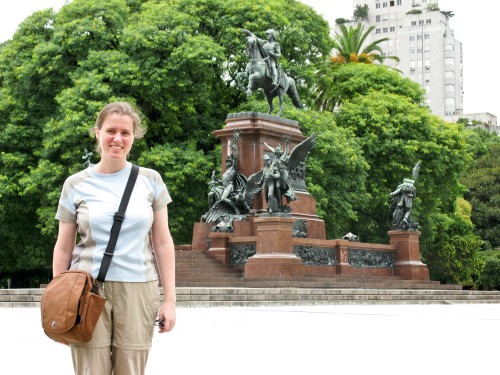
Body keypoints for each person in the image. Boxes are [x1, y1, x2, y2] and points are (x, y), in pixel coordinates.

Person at [52, 102, 176, 375]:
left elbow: (163, 243)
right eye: (110, 131)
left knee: (130, 370)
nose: (117, 139)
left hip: (139, 289)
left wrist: (169, 300)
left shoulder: (151, 181)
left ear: (133, 137)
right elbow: (63, 247)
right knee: (89, 371)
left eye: (125, 132)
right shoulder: (75, 184)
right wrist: (59, 302)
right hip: (86, 290)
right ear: (97, 133)